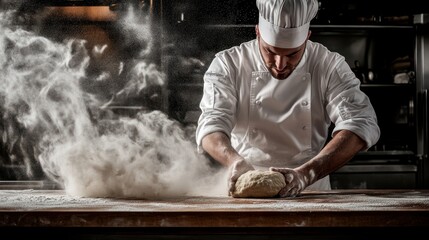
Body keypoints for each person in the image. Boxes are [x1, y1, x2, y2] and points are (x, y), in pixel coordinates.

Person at [195, 0, 380, 197]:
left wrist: (307, 174)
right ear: (257, 31)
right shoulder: (228, 64)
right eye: (270, 51)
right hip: (245, 188)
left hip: (310, 192)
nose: (280, 64)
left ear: (307, 37)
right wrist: (233, 161)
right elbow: (212, 124)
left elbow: (360, 123)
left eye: (292, 54)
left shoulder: (329, 65)